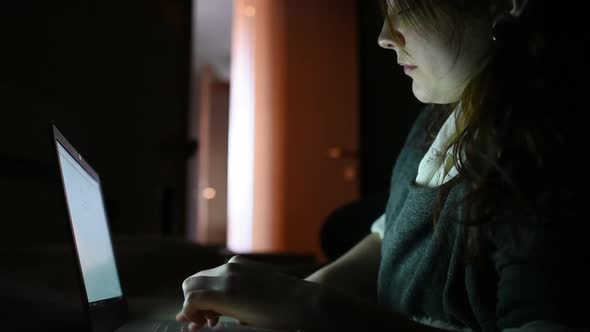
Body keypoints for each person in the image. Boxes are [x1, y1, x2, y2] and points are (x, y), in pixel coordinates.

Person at [177, 0, 586, 331]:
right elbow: (388, 234)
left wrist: (308, 306)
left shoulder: (546, 152)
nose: (384, 37)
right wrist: (288, 299)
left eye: (405, 7)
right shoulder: (443, 115)